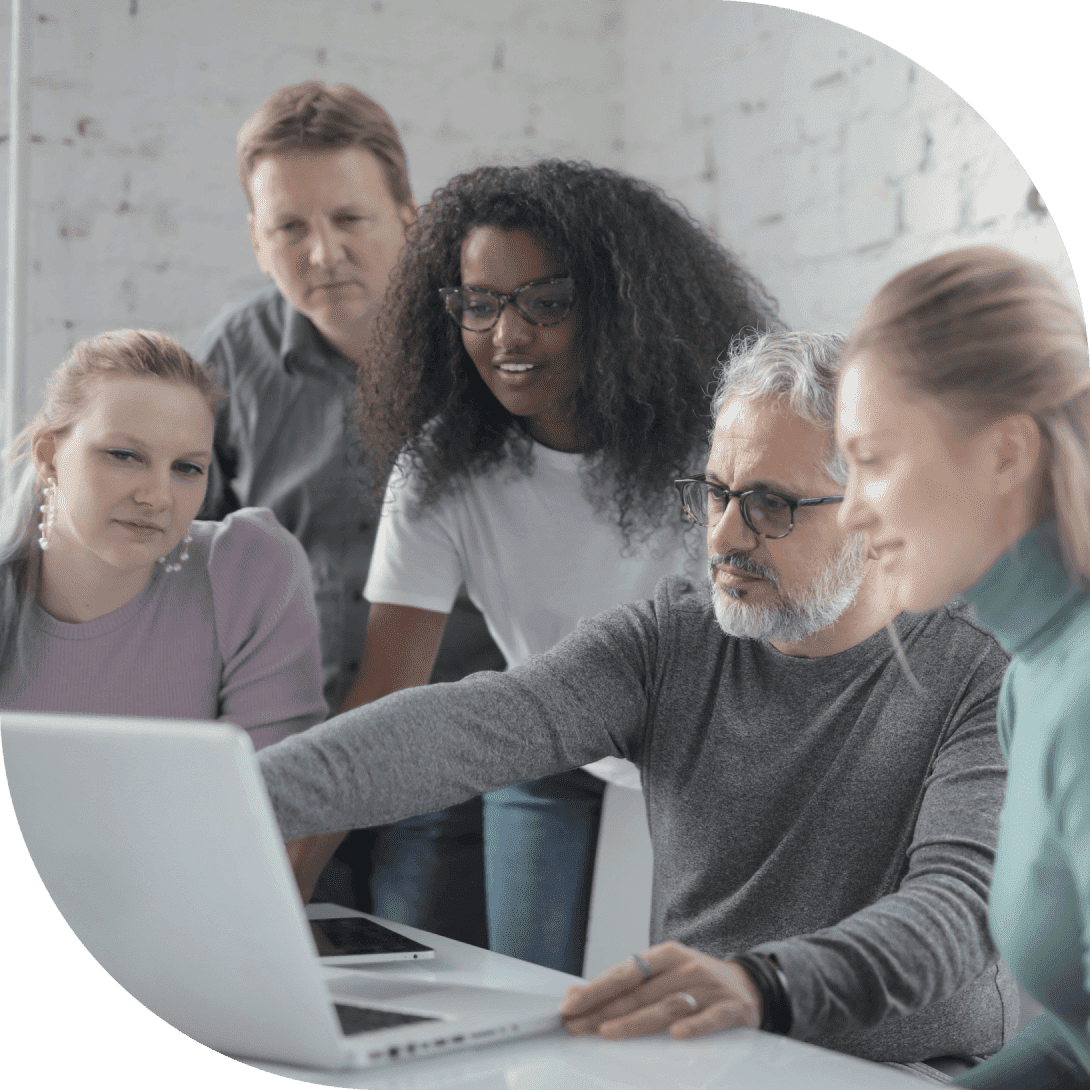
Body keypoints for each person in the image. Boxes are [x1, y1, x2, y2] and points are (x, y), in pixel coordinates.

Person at [262, 330, 1016, 1077]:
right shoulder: (671, 640)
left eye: (769, 505)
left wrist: (765, 987)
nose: (723, 535)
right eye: (716, 493)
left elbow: (959, 910)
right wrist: (238, 796)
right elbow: (469, 726)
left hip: (911, 1067)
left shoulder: (985, 674)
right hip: (713, 1054)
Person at [318, 158, 782, 975]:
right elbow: (385, 696)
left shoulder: (710, 444)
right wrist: (283, 887)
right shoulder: (440, 472)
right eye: (481, 304)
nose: (507, 335)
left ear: (618, 310)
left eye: (547, 303)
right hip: (546, 757)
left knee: (693, 1018)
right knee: (541, 1006)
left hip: (707, 764)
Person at [195, 81, 504, 941]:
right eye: (289, 227)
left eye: (349, 219)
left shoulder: (486, 350)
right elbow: (187, 565)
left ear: (408, 218)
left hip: (446, 766)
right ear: (258, 241)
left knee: (432, 1010)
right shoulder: (229, 359)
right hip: (285, 755)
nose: (321, 253)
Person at [835, 245, 1090, 1088]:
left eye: (873, 460)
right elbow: (1077, 1040)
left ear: (1006, 454)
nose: (847, 514)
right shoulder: (1030, 680)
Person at [0, 329, 325, 749]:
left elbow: (274, 800)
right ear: (49, 456)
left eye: (187, 467)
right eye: (124, 456)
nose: (157, 497)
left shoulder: (250, 571)